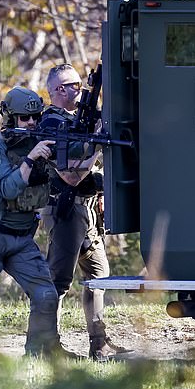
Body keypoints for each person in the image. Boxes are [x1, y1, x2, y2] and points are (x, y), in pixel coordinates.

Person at [0, 86, 77, 358]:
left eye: (36, 117)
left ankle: (36, 355)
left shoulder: (39, 141)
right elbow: (8, 189)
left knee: (46, 296)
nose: (32, 123)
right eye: (25, 118)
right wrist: (31, 158)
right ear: (11, 118)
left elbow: (70, 162)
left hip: (22, 238)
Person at [41, 63, 133, 361]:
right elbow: (69, 176)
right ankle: (48, 345)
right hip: (66, 210)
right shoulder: (52, 124)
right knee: (58, 281)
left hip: (86, 209)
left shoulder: (76, 120)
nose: (78, 89)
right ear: (56, 91)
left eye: (79, 83)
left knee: (98, 275)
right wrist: (97, 143)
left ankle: (99, 342)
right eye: (71, 85)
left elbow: (85, 170)